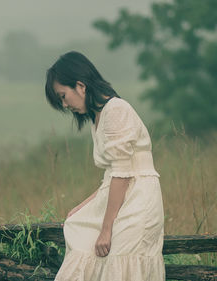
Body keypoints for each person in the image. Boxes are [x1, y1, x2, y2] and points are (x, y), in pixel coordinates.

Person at [45, 51, 165, 280]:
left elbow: (122, 175)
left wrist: (106, 229)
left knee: (121, 264)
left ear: (80, 86)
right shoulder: (98, 116)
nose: (65, 104)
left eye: (63, 96)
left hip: (138, 198)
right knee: (78, 228)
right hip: (124, 193)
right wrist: (85, 205)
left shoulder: (116, 110)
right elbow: (112, 176)